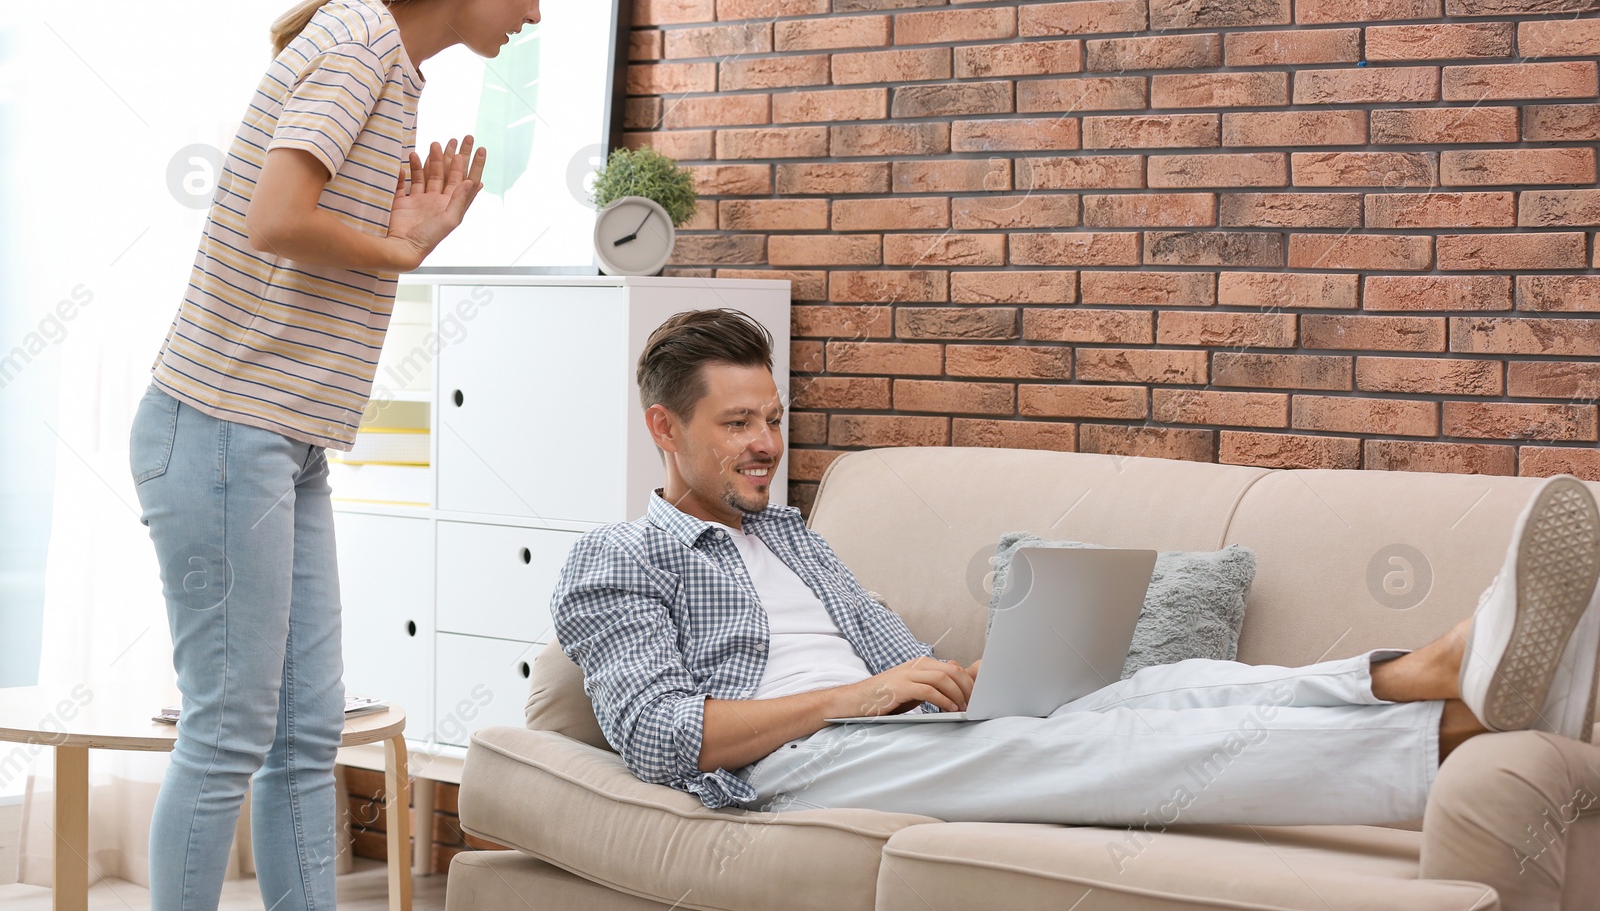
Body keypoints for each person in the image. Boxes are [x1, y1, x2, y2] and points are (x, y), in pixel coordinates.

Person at [551, 307, 1600, 828]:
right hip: (790, 765)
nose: (766, 444)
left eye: (773, 419)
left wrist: (963, 678)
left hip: (899, 728)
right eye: (736, 423)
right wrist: (858, 695)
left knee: (1153, 690)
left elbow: (898, 663)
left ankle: (1423, 671)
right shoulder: (615, 558)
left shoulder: (794, 535)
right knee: (1106, 757)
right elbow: (656, 735)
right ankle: (1461, 713)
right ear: (663, 427)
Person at [128, 0, 561, 911]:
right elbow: (276, 216)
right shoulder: (360, 42)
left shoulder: (389, 63)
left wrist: (395, 243)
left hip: (280, 435)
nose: (536, 11)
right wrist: (397, 250)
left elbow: (311, 238)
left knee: (299, 733)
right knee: (231, 727)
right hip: (223, 422)